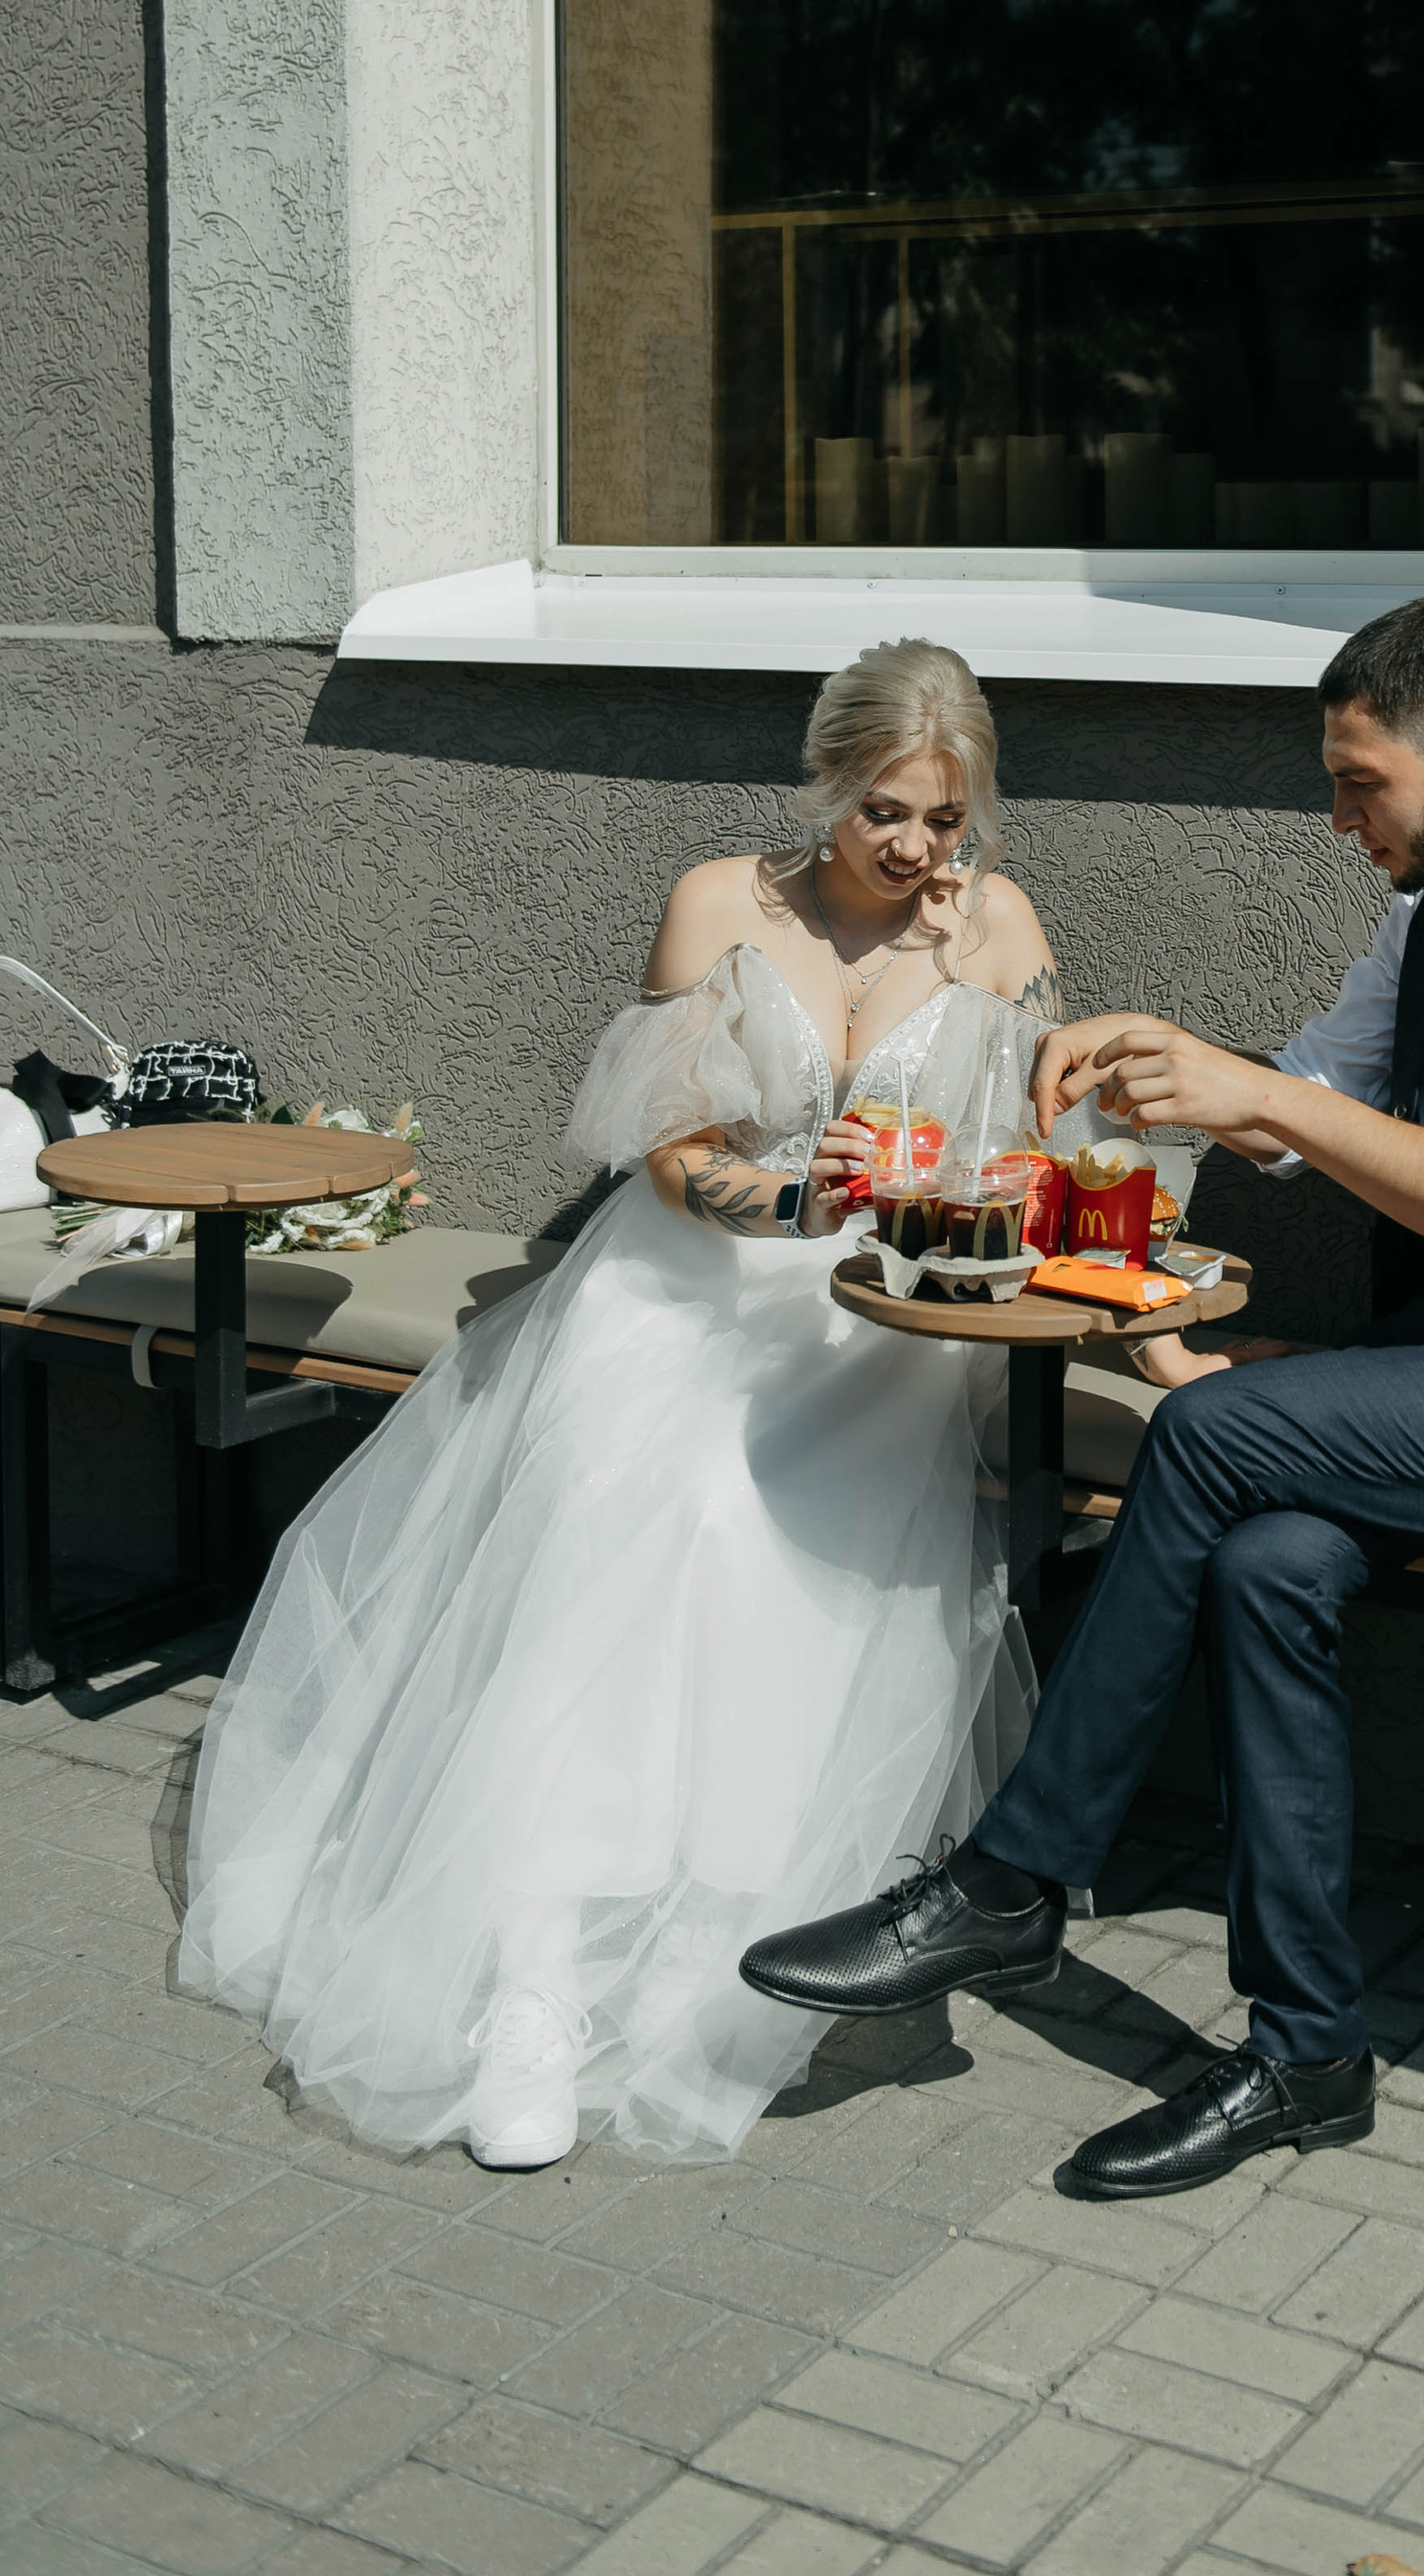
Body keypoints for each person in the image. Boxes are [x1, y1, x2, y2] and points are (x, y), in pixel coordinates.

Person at [740, 596, 1424, 2196]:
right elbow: (1300, 1099)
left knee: (1213, 1423)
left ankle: (1011, 1875)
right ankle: (1309, 2051)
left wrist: (1262, 1093)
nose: (1337, 818)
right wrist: (1161, 1062)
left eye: (1357, 784)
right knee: (1265, 1557)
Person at [178, 640, 1060, 2170]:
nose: (916, 846)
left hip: (873, 1331)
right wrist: (794, 1196)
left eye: (945, 818)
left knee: (750, 1529)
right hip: (688, 1285)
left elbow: (1038, 1149)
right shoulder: (721, 903)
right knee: (630, 1502)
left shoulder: (996, 927)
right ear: (827, 776)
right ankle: (529, 1961)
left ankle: (698, 1934)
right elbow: (673, 1155)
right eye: (886, 810)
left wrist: (951, 1159)